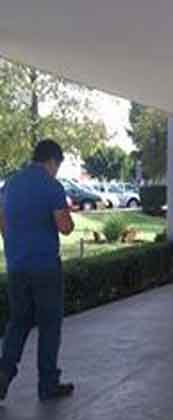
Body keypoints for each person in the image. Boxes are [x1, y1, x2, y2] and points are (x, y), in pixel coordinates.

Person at [0, 140, 76, 402]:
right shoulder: (51, 186)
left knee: (18, 321)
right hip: (45, 267)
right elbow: (64, 226)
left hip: (16, 266)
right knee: (49, 324)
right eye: (57, 166)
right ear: (52, 161)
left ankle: (2, 374)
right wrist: (68, 218)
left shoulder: (10, 184)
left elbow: (2, 221)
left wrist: (15, 244)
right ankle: (48, 384)